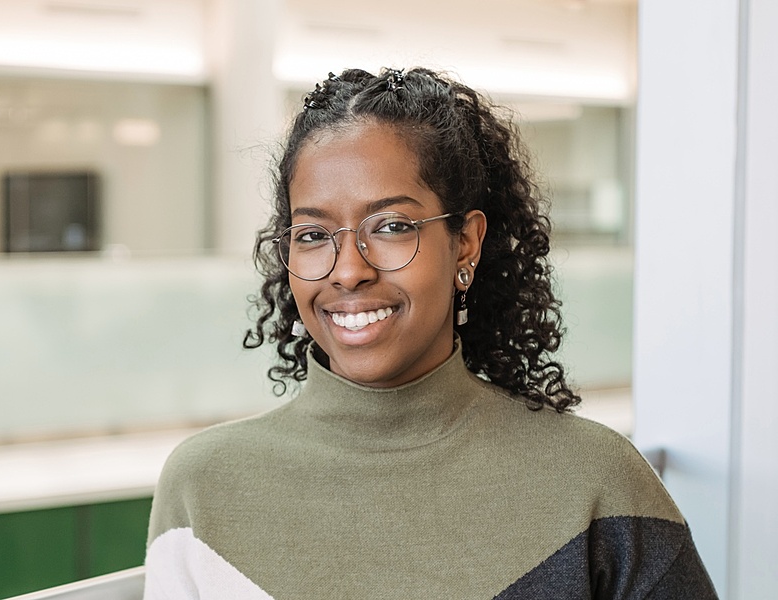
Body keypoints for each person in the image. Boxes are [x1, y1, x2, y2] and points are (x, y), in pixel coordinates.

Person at [144, 67, 718, 599]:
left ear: (465, 243)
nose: (348, 269)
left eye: (392, 226)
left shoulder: (596, 483)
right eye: (313, 234)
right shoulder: (203, 489)